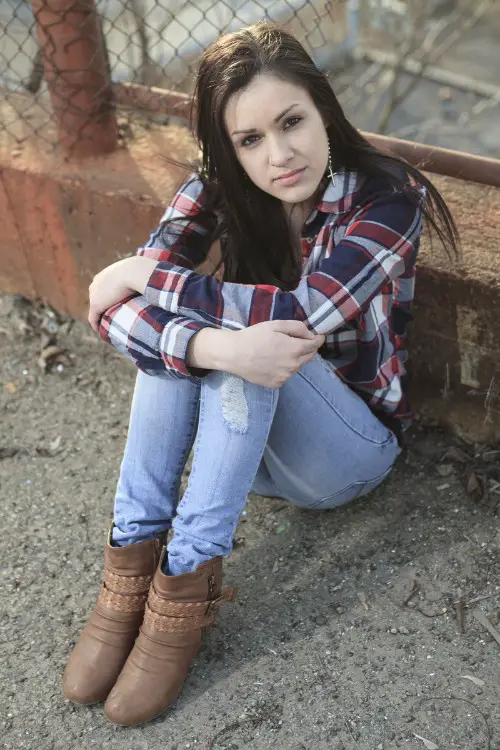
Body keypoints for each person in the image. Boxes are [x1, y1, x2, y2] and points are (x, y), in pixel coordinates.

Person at [62, 21, 459, 726]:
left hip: (347, 454)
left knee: (250, 338)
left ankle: (183, 590)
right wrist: (207, 347)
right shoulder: (214, 188)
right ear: (227, 146)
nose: (279, 155)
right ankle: (129, 570)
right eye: (250, 140)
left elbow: (305, 311)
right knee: (193, 345)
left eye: (292, 123)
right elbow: (116, 315)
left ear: (323, 107)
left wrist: (150, 278)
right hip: (248, 448)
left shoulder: (388, 198)